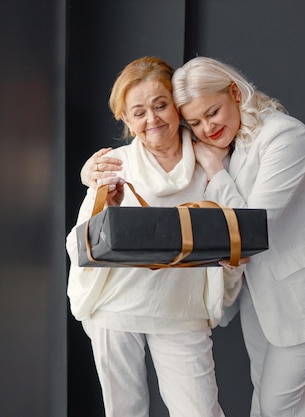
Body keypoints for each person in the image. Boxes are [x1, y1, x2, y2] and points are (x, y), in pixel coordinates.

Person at [82, 56, 305, 417]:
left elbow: (251, 227)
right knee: (272, 400)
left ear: (235, 92)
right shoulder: (219, 142)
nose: (206, 127)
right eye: (196, 121)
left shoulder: (276, 138)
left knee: (277, 405)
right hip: (260, 296)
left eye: (212, 112)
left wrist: (216, 170)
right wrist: (88, 173)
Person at [66, 56, 245, 417]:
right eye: (139, 113)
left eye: (161, 105)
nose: (153, 120)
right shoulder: (114, 164)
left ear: (176, 106)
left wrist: (213, 169)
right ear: (126, 121)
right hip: (115, 308)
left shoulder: (210, 156)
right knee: (124, 411)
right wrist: (106, 208)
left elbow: (240, 224)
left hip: (181, 311)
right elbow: (79, 245)